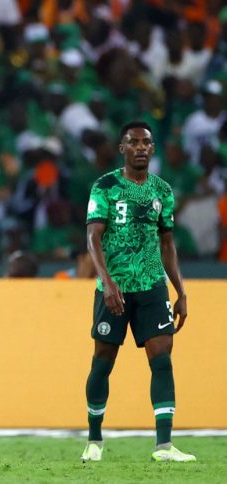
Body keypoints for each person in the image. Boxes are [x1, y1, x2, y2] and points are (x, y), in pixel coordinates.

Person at [81, 120, 193, 463]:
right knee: (103, 361)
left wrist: (180, 290)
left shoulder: (163, 191)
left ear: (153, 148)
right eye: (134, 142)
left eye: (146, 142)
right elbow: (93, 238)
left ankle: (163, 446)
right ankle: (94, 439)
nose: (141, 147)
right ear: (123, 148)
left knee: (162, 358)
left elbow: (167, 243)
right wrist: (108, 282)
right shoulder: (105, 187)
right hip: (113, 289)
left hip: (151, 286)